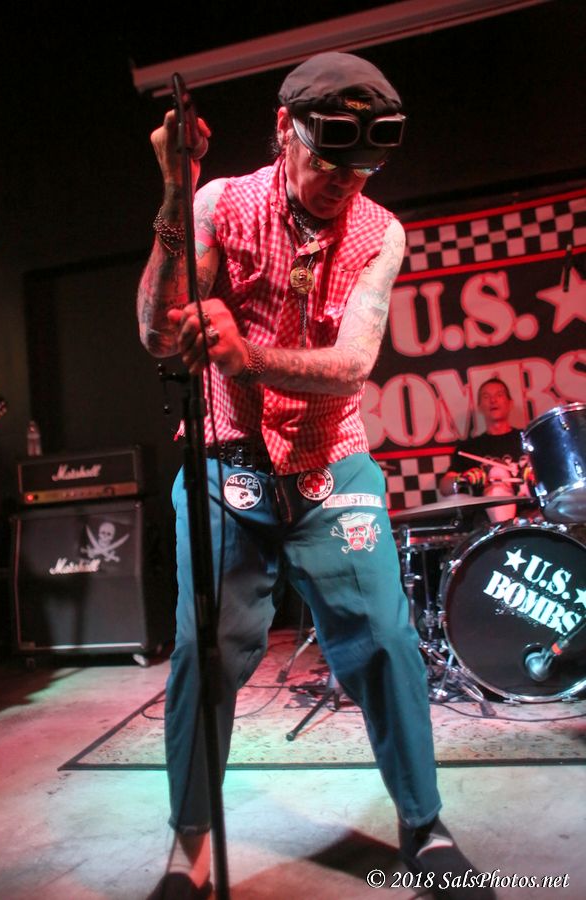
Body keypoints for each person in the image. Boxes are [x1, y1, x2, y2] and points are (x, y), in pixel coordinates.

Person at [137, 52, 495, 899]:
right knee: (206, 650)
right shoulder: (220, 204)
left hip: (331, 464)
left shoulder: (381, 232)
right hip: (226, 456)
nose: (345, 180)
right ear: (284, 128)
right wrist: (175, 191)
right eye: (331, 157)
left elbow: (352, 365)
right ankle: (190, 850)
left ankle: (425, 829)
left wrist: (250, 355)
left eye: (364, 165)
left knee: (386, 643)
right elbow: (156, 332)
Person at [439, 377, 533, 521]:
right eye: (486, 396)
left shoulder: (528, 438)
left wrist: (536, 474)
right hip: (486, 527)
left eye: (499, 395)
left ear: (510, 403)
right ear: (479, 406)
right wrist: (462, 478)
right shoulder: (469, 448)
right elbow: (444, 488)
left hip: (530, 520)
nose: (493, 400)